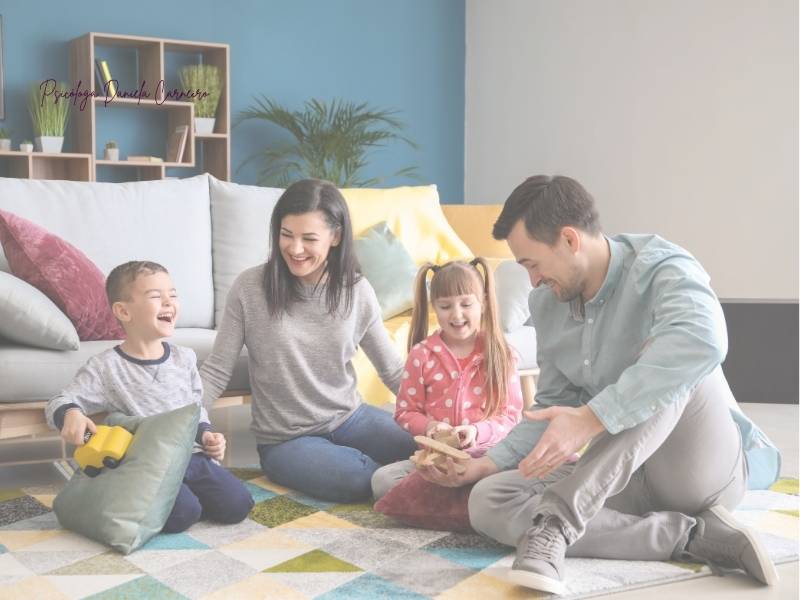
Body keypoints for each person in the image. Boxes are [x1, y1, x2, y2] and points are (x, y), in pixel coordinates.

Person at [419, 175, 781, 595]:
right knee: (489, 500)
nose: (533, 281)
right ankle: (691, 537)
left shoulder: (661, 267)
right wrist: (487, 463)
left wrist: (593, 417)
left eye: (532, 264)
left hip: (698, 469)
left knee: (667, 359)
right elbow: (552, 406)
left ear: (570, 239)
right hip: (621, 477)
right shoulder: (548, 304)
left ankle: (557, 523)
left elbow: (703, 341)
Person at [200, 179, 417, 503]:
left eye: (309, 238)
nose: (295, 248)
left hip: (351, 418)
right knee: (358, 480)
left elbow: (392, 370)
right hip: (286, 439)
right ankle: (412, 481)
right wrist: (180, 422)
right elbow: (217, 370)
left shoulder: (356, 291)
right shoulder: (250, 288)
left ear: (336, 236)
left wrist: (439, 421)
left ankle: (414, 477)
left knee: (426, 447)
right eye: (286, 235)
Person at [46, 261, 254, 533]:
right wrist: (71, 413)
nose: (169, 302)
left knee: (238, 506)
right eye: (156, 296)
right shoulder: (106, 367)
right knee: (183, 515)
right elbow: (60, 400)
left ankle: (183, 494)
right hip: (147, 464)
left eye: (173, 295)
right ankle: (136, 492)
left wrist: (206, 435)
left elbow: (195, 409)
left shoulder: (185, 358)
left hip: (191, 457)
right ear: (123, 311)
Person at [371, 259, 523, 499]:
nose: (457, 314)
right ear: (434, 307)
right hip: (437, 462)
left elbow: (511, 415)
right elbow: (405, 412)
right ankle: (468, 501)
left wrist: (477, 431)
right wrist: (430, 426)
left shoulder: (502, 354)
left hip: (488, 459)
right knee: (383, 481)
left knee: (522, 468)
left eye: (466, 304)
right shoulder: (421, 355)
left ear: (482, 302)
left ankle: (464, 499)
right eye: (445, 306)